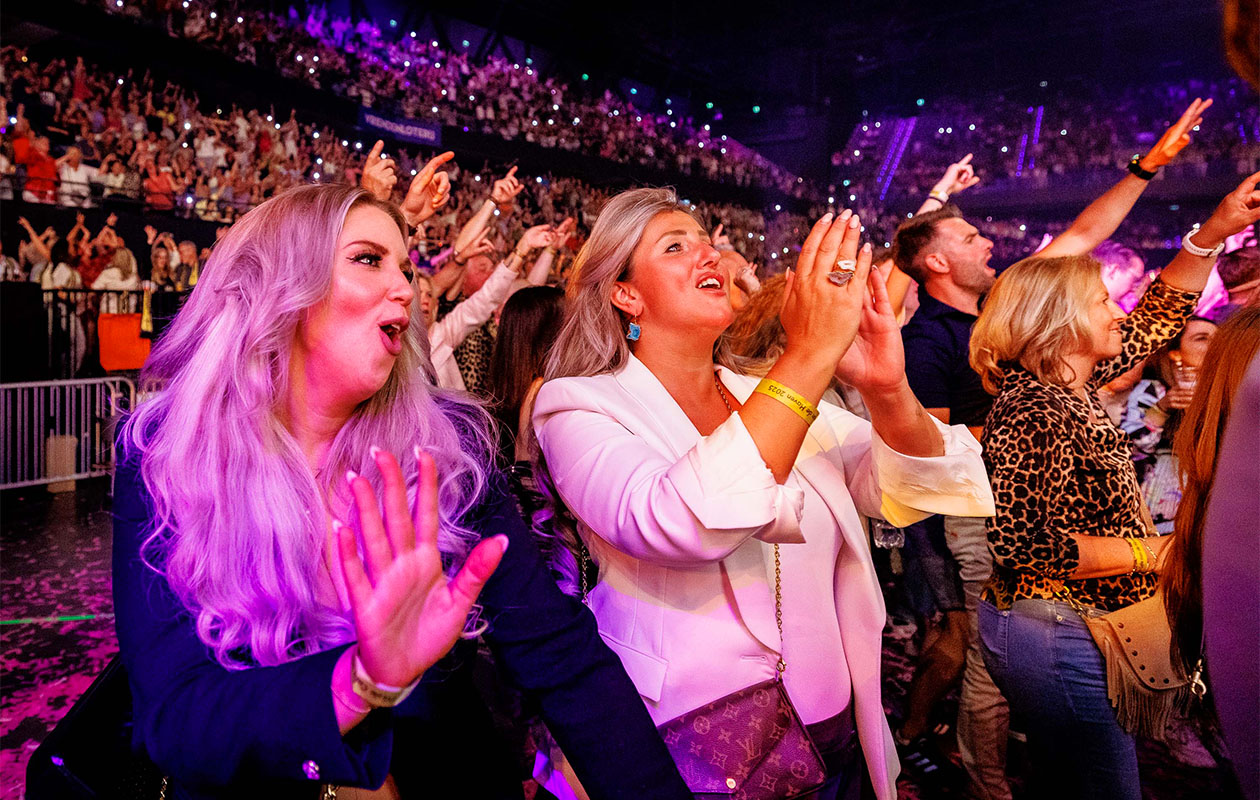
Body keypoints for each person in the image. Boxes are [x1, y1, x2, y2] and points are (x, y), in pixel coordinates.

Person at [113, 183, 691, 799]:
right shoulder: (165, 461)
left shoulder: (451, 454)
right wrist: (360, 680)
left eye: (408, 268)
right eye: (369, 259)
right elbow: (174, 715)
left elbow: (563, 658)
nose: (406, 288)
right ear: (281, 286)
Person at [532, 188, 994, 800]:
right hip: (693, 746)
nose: (710, 257)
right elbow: (677, 522)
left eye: (707, 243)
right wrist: (807, 356)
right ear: (626, 293)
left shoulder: (765, 394)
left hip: (835, 734)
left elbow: (917, 484)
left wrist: (887, 386)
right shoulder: (579, 404)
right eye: (676, 246)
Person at [889, 97, 1210, 800]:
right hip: (1015, 561)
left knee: (1072, 763)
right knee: (979, 658)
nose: (988, 245)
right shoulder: (967, 359)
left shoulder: (1046, 365)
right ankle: (981, 775)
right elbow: (940, 449)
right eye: (970, 237)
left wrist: (1192, 216)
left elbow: (1144, 311)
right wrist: (1158, 551)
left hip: (1056, 596)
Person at [967, 171, 1260, 800]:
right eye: (1103, 300)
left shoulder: (1067, 385)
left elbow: (1159, 315)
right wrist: (1157, 552)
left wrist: (1216, 229)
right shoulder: (1032, 409)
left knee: (1073, 780)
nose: (1118, 310)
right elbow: (1027, 547)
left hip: (1068, 622)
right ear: (1063, 322)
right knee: (1107, 786)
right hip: (1050, 626)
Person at [1119, 317, 1218, 532]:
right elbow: (1129, 447)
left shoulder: (1222, 393)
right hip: (1152, 516)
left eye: (1218, 338)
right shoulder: (1152, 391)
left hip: (1201, 516)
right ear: (1175, 353)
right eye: (1202, 338)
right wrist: (1161, 409)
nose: (1214, 344)